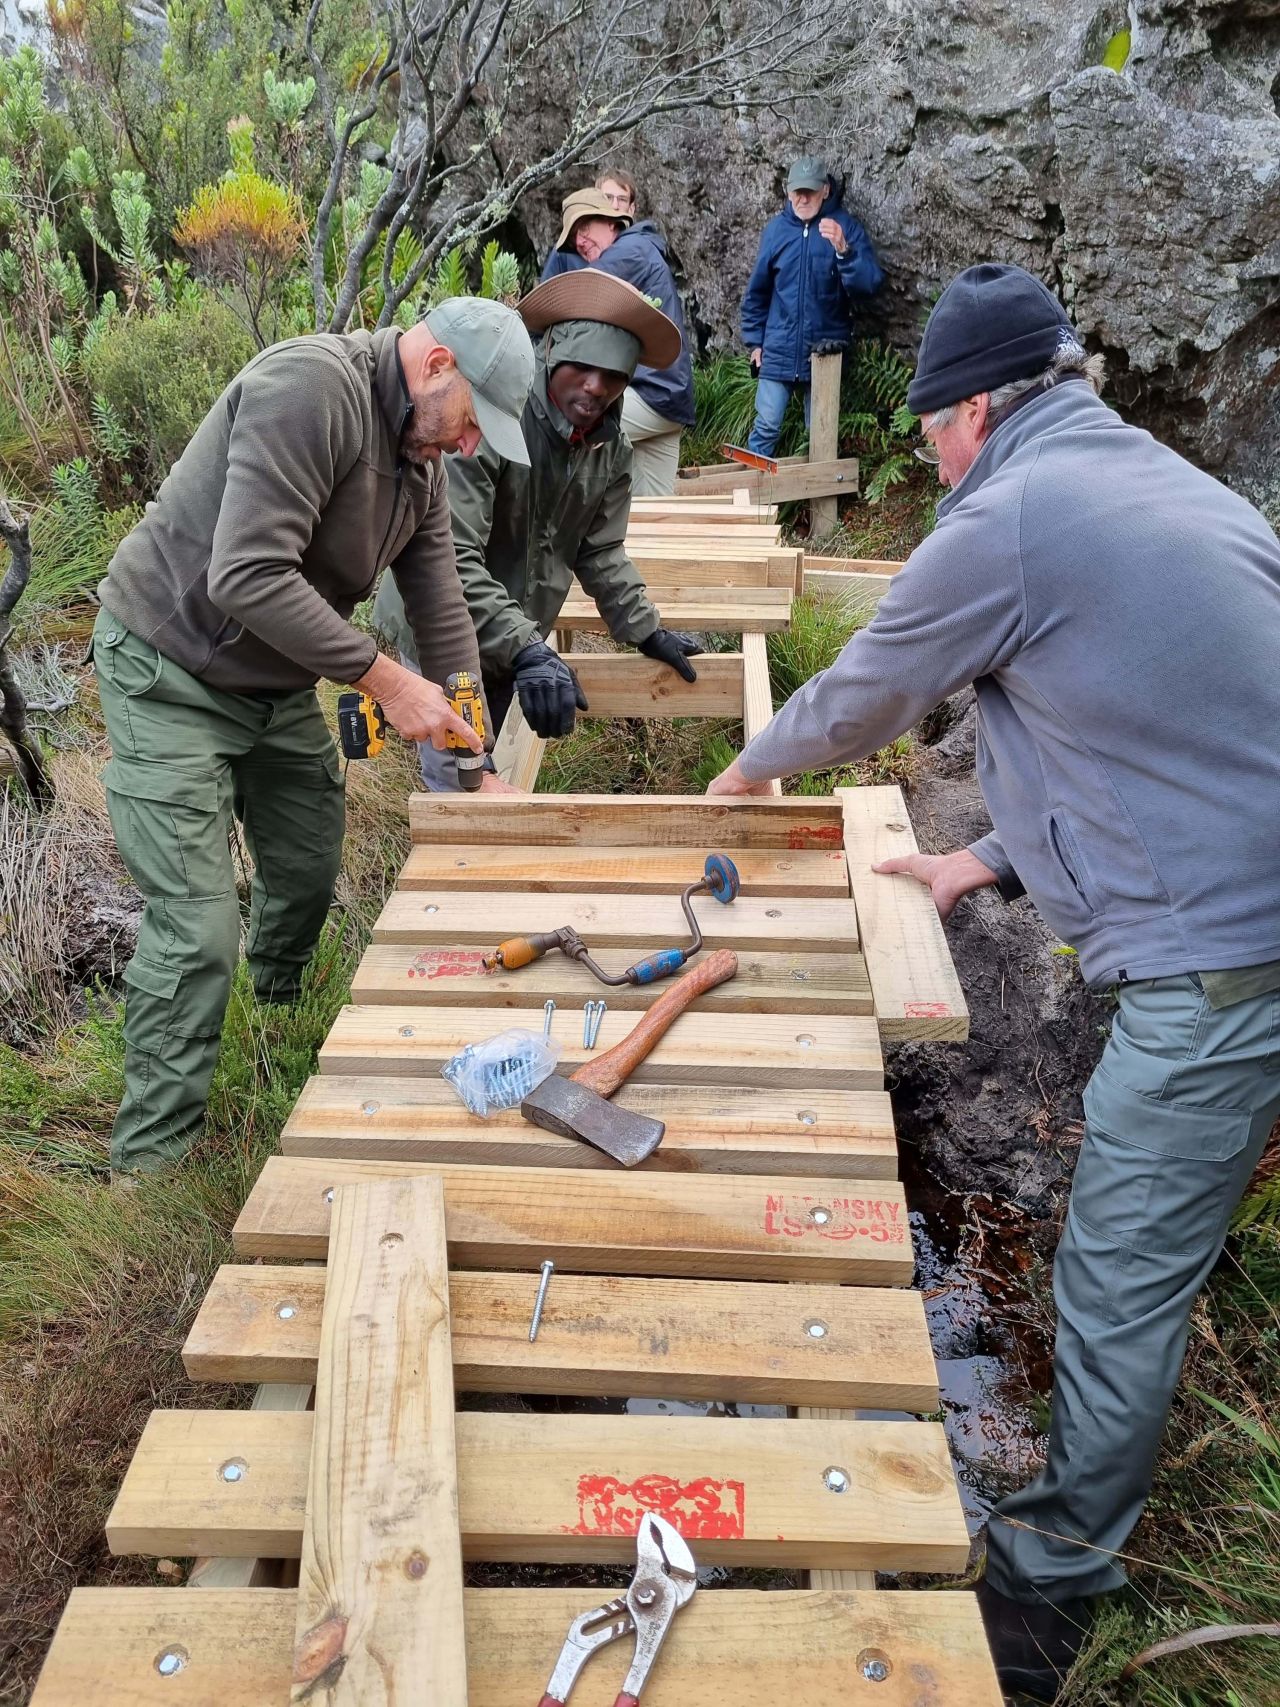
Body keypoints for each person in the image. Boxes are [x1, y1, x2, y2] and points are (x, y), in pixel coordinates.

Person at [705, 262, 1280, 1701]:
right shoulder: (1167, 485)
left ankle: (1049, 1587)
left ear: (973, 412)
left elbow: (867, 690)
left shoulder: (1012, 512)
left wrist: (746, 767)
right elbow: (1164, 724)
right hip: (1249, 921)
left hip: (1227, 966)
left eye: (929, 436)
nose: (930, 460)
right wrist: (991, 861)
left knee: (1112, 1281)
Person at [93, 296, 535, 1175]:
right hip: (170, 671)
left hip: (276, 682)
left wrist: (475, 760)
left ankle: (278, 1029)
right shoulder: (310, 391)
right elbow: (245, 575)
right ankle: (150, 1168)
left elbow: (442, 608)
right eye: (472, 423)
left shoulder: (422, 460)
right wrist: (383, 679)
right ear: (438, 364)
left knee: (304, 867)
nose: (470, 445)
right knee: (198, 930)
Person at [374, 268, 703, 789]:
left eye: (613, 377)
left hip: (518, 626)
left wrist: (645, 628)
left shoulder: (609, 447)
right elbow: (450, 562)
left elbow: (600, 550)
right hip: (440, 620)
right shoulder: (491, 417)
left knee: (497, 750)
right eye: (582, 368)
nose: (596, 388)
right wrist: (530, 647)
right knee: (461, 779)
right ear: (552, 354)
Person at [539, 187, 694, 494]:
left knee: (559, 427)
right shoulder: (640, 249)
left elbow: (578, 294)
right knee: (653, 513)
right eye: (573, 240)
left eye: (584, 229)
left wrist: (528, 326)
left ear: (611, 222)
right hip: (669, 399)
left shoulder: (629, 251)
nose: (580, 242)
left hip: (651, 392)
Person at [740, 155, 882, 457]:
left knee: (817, 434)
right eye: (797, 191)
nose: (803, 198)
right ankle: (752, 500)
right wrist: (754, 342)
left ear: (826, 190)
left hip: (823, 350)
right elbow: (757, 293)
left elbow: (869, 287)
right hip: (778, 348)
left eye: (810, 191)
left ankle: (812, 502)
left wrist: (844, 251)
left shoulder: (844, 227)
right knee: (765, 427)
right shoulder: (776, 231)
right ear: (787, 191)